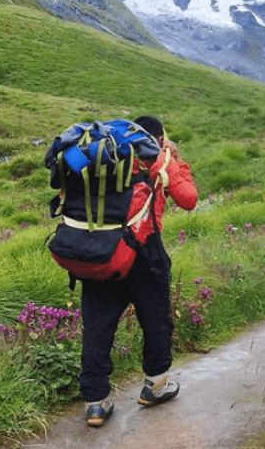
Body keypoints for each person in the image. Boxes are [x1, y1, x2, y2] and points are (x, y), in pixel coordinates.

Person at [81, 115, 198, 427]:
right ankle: (155, 385)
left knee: (97, 325)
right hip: (144, 250)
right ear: (159, 137)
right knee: (156, 319)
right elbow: (189, 199)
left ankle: (95, 402)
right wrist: (173, 158)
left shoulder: (103, 154)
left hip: (99, 250)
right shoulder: (156, 154)